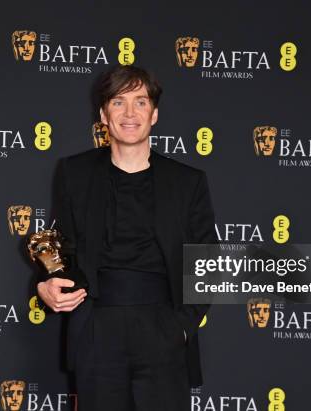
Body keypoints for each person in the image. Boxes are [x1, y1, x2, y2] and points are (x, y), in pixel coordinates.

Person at [36, 65, 217, 410]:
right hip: (97, 328)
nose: (130, 113)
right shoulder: (74, 173)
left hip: (162, 327)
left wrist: (180, 328)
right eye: (118, 103)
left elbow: (207, 262)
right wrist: (47, 282)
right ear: (104, 114)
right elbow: (63, 246)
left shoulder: (187, 181)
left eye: (141, 102)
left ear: (155, 114)